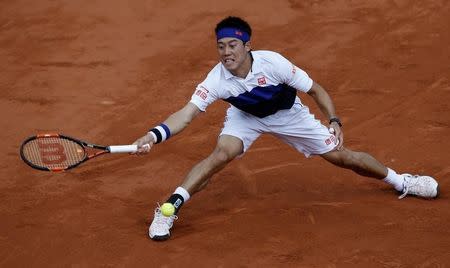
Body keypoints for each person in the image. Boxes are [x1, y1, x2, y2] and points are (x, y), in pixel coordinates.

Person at [132, 16, 439, 241]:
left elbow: (316, 89)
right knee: (223, 153)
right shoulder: (215, 80)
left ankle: (402, 182)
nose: (226, 52)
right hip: (246, 116)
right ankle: (171, 206)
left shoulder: (273, 63)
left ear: (247, 45)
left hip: (289, 115)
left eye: (233, 45)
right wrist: (153, 135)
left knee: (342, 157)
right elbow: (185, 115)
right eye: (221, 46)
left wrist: (334, 120)